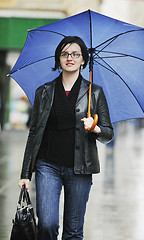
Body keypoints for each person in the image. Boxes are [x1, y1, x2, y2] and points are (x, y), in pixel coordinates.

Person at [18, 36, 114, 240]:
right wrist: (25, 173)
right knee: (47, 225)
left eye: (75, 54)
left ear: (83, 60)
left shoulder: (94, 93)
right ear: (58, 59)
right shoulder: (43, 91)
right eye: (64, 54)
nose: (70, 58)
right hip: (47, 165)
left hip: (80, 168)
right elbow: (34, 132)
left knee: (73, 230)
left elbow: (108, 134)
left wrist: (95, 128)